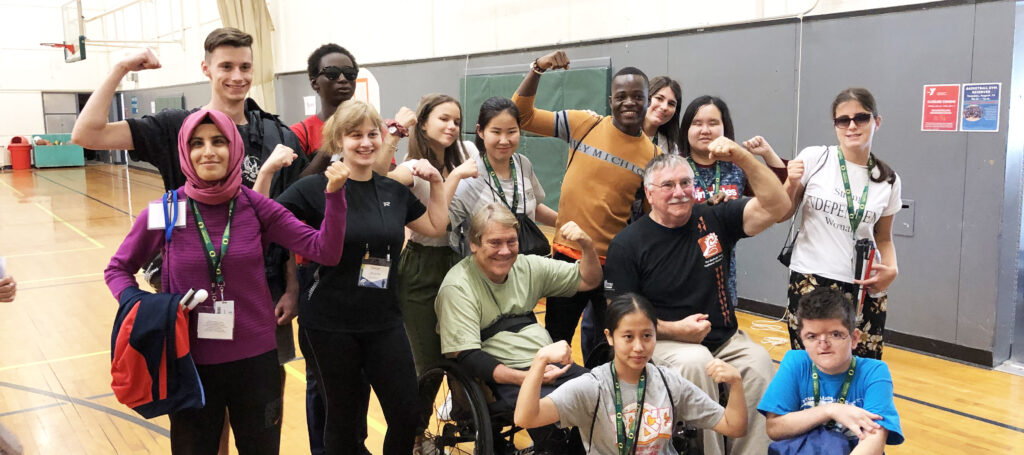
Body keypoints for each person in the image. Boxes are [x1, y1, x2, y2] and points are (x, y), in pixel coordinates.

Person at [104, 109, 349, 454]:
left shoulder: (256, 206)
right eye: (197, 143)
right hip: (189, 362)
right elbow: (117, 269)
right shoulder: (167, 210)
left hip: (255, 361)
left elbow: (325, 250)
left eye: (218, 141)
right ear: (185, 153)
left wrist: (335, 196)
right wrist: (141, 305)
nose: (209, 151)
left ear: (233, 148)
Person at [275, 99, 455, 454]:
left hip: (383, 321)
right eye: (354, 135)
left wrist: (437, 183)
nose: (365, 142)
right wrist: (267, 172)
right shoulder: (314, 188)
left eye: (372, 134)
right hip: (329, 323)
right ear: (338, 140)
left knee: (406, 412)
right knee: (343, 420)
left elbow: (435, 226)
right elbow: (266, 219)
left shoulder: (391, 190)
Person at [603, 151, 789, 455]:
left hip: (725, 339)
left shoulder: (715, 218)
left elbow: (779, 205)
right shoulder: (628, 244)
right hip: (664, 342)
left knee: (758, 363)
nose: (679, 192)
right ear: (649, 193)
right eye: (668, 185)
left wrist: (742, 156)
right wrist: (675, 330)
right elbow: (619, 317)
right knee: (698, 364)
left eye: (685, 182)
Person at [512, 50, 660, 357]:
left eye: (637, 96)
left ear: (648, 101)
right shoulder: (583, 124)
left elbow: (649, 221)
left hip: (615, 266)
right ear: (611, 101)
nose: (629, 102)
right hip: (568, 259)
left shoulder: (654, 159)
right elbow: (521, 116)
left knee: (607, 348)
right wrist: (538, 69)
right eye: (621, 96)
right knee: (556, 342)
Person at [435, 203, 603, 452]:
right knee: (549, 413)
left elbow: (589, 279)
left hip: (550, 366)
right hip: (503, 378)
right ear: (474, 244)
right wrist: (527, 378)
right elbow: (468, 356)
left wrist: (587, 246)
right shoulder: (458, 287)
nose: (505, 251)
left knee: (603, 393)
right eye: (495, 243)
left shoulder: (526, 266)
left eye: (511, 241)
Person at [515, 293, 748, 454]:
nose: (639, 347)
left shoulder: (669, 383)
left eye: (647, 336)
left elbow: (732, 425)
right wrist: (539, 361)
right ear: (609, 336)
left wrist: (736, 384)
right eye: (628, 337)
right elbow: (526, 418)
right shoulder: (593, 386)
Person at [776, 87, 901, 360]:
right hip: (811, 280)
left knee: (863, 365)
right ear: (835, 125)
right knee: (811, 366)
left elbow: (884, 237)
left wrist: (891, 268)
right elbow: (782, 213)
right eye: (843, 120)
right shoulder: (815, 158)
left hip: (863, 284)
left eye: (861, 118)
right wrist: (791, 182)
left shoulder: (888, 179)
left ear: (876, 122)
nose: (852, 126)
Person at [387, 93, 479, 376]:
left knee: (464, 355)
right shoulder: (413, 167)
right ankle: (413, 421)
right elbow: (381, 184)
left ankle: (463, 417)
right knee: (428, 363)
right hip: (421, 267)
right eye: (443, 119)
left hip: (462, 260)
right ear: (423, 124)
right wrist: (451, 178)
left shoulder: (468, 152)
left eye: (457, 121)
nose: (452, 126)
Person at [758, 287, 904, 454]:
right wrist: (830, 410)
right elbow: (774, 428)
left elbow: (875, 439)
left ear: (854, 338)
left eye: (835, 334)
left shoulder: (874, 372)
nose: (823, 344)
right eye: (812, 336)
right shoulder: (795, 362)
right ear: (802, 340)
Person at [677, 95, 788, 310]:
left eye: (713, 123)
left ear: (725, 128)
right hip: (682, 268)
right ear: (685, 129)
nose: (705, 130)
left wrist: (766, 154)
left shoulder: (737, 169)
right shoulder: (675, 167)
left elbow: (778, 199)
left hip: (723, 273)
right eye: (697, 123)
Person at [449, 96, 558, 253]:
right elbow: (444, 226)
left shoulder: (523, 164)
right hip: (488, 268)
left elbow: (535, 206)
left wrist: (564, 223)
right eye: (496, 132)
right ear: (480, 131)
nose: (504, 140)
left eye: (512, 131)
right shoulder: (470, 177)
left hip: (527, 265)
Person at [643, 76, 683, 154]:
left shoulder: (671, 148)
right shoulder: (621, 133)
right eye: (659, 98)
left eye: (671, 104)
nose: (664, 107)